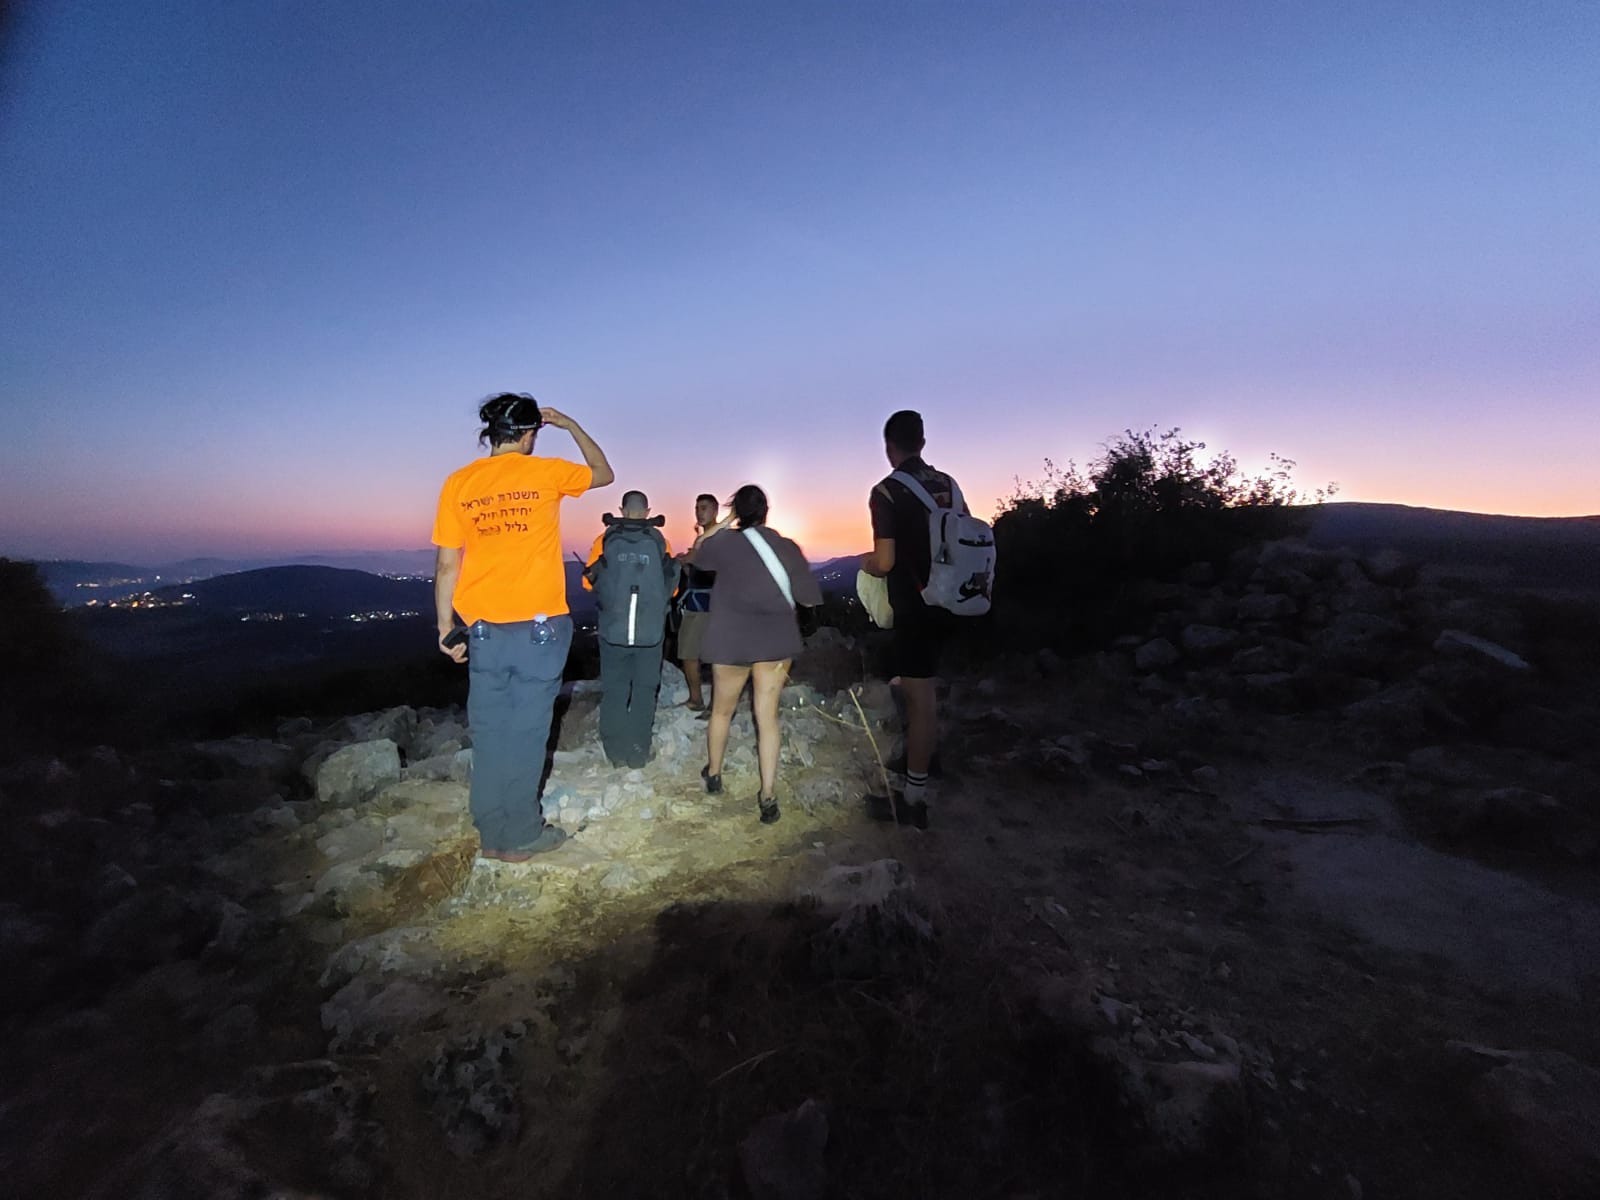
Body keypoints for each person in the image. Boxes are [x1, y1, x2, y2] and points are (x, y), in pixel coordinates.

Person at [433, 392, 614, 862]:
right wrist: (571, 424)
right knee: (528, 729)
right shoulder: (546, 471)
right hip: (539, 627)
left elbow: (447, 564)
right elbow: (604, 473)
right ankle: (522, 834)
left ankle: (491, 831)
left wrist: (444, 626)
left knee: (490, 729)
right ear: (531, 433)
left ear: (491, 434)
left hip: (483, 629)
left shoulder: (459, 483)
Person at [683, 485, 821, 824]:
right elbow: (809, 598)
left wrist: (726, 521)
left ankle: (714, 775)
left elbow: (698, 550)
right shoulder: (787, 547)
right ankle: (768, 796)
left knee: (721, 712)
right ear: (766, 511)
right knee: (767, 718)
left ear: (738, 511)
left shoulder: (725, 543)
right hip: (775, 642)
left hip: (730, 642)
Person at [860, 409, 958, 829]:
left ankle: (913, 801)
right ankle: (923, 760)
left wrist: (865, 565)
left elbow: (885, 560)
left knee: (920, 702)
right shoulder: (948, 485)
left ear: (889, 446)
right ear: (922, 441)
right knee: (922, 689)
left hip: (914, 605)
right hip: (948, 600)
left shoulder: (886, 491)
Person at [582, 490, 676, 767]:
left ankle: (615, 751)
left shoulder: (604, 540)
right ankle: (638, 750)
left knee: (615, 689)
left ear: (622, 510)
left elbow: (588, 583)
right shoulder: (661, 542)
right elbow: (673, 586)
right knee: (645, 690)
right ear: (647, 512)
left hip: (614, 630)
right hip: (650, 632)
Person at [675, 492, 720, 712]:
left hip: (709, 604)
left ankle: (710, 704)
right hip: (696, 602)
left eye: (704, 508)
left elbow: (717, 569)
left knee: (698, 654)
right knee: (688, 653)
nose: (699, 512)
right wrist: (687, 564)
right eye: (697, 508)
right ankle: (697, 700)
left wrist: (692, 559)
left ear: (715, 511)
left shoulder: (718, 537)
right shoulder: (705, 538)